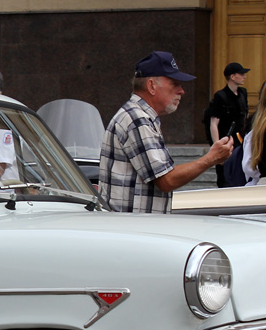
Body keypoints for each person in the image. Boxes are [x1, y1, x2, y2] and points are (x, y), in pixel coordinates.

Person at [98, 51, 233, 213]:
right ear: (151, 86)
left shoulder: (139, 115)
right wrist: (211, 158)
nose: (182, 91)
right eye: (175, 84)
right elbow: (166, 180)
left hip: (133, 228)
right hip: (133, 229)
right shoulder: (137, 119)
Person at [204, 61, 250, 186]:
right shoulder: (221, 96)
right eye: (241, 74)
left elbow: (245, 116)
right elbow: (214, 123)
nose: (244, 76)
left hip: (240, 140)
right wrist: (217, 146)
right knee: (224, 176)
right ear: (232, 76)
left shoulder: (243, 93)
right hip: (226, 139)